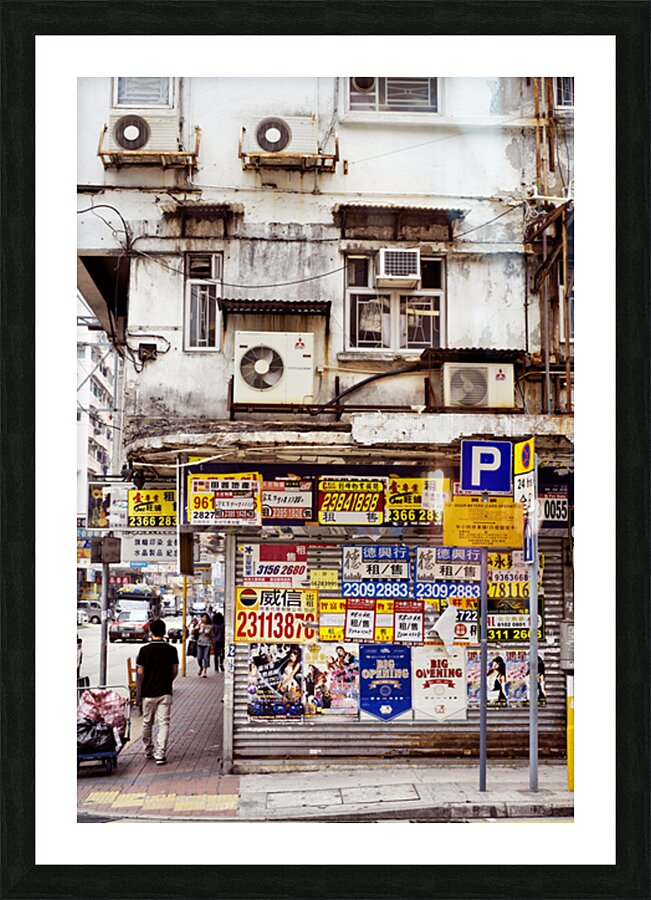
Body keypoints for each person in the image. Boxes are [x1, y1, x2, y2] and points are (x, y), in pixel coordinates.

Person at [136, 618, 179, 765]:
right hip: (165, 691)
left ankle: (148, 749)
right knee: (164, 723)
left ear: (151, 632)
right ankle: (160, 754)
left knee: (147, 722)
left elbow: (140, 672)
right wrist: (167, 681)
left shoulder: (144, 650)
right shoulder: (171, 650)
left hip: (148, 692)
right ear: (164, 632)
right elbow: (174, 671)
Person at [196, 613, 214, 677]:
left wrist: (212, 644)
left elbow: (212, 636)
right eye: (203, 617)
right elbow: (193, 632)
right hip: (199, 643)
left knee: (206, 657)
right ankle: (201, 667)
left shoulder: (210, 626)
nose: (204, 619)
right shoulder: (199, 625)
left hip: (207, 643)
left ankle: (205, 671)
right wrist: (196, 628)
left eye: (205, 617)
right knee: (199, 657)